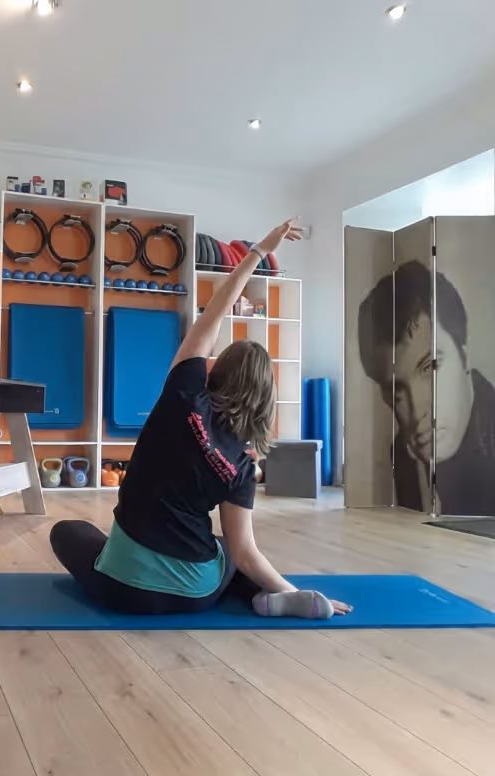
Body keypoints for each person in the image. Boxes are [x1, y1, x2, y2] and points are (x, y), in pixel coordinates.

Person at [49, 219, 352, 619]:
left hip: (123, 590)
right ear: (265, 400)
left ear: (216, 370)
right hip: (197, 595)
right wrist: (295, 588)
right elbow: (245, 553)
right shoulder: (242, 466)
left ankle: (138, 563)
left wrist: (258, 250)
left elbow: (217, 308)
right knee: (226, 550)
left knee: (67, 532)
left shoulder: (184, 394)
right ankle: (272, 597)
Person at [359, 261, 495, 516]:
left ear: (465, 353)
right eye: (397, 389)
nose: (418, 409)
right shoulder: (402, 453)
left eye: (431, 367)